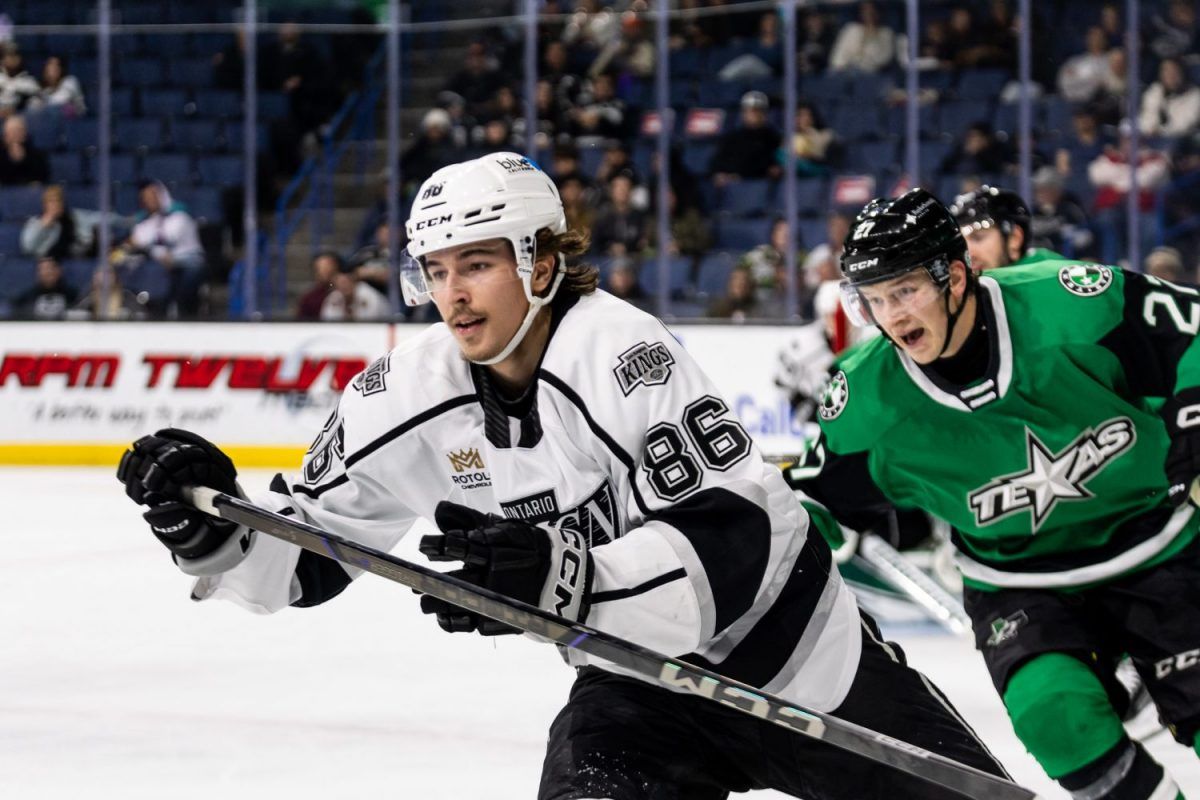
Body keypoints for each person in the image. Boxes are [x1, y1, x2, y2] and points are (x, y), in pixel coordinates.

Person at [115, 152, 1009, 800]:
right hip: (636, 686)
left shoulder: (621, 351)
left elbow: (732, 541)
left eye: (476, 264)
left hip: (799, 653)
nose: (453, 294)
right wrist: (213, 532)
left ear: (540, 262)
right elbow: (308, 559)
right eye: (436, 270)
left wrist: (567, 578)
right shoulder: (404, 391)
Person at [786, 187, 1200, 800]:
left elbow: (1191, 341)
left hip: (1155, 542)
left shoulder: (1070, 302)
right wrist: (795, 530)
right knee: (1054, 715)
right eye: (875, 300)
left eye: (905, 292)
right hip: (1018, 583)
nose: (893, 318)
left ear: (954, 276)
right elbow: (810, 505)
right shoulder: (865, 403)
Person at [113, 180, 206, 318]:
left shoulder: (180, 215)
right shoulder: (147, 221)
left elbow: (169, 237)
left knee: (188, 275)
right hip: (163, 266)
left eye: (152, 196)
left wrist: (152, 248)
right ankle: (153, 312)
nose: (149, 201)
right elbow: (135, 241)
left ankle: (187, 315)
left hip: (189, 261)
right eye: (145, 198)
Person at [949, 184, 1059, 270]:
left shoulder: (1052, 277)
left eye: (978, 238)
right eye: (960, 243)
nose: (966, 254)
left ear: (1015, 239)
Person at [1138, 57, 1200, 139]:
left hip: (1182, 142)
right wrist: (1150, 128)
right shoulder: (1155, 91)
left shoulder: (1195, 95)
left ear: (1182, 73)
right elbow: (1146, 117)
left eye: (1174, 71)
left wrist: (1161, 131)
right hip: (1152, 139)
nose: (1170, 75)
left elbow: (1184, 126)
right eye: (1166, 71)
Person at [12, 255, 78, 320]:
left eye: (50, 269)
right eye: (43, 269)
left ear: (59, 271)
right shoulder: (28, 296)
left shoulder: (72, 295)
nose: (47, 272)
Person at [0, 113, 48, 185]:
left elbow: (41, 177)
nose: (15, 134)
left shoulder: (37, 154)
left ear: (25, 133)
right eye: (12, 131)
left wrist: (22, 158)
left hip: (29, 193)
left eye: (19, 130)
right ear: (5, 136)